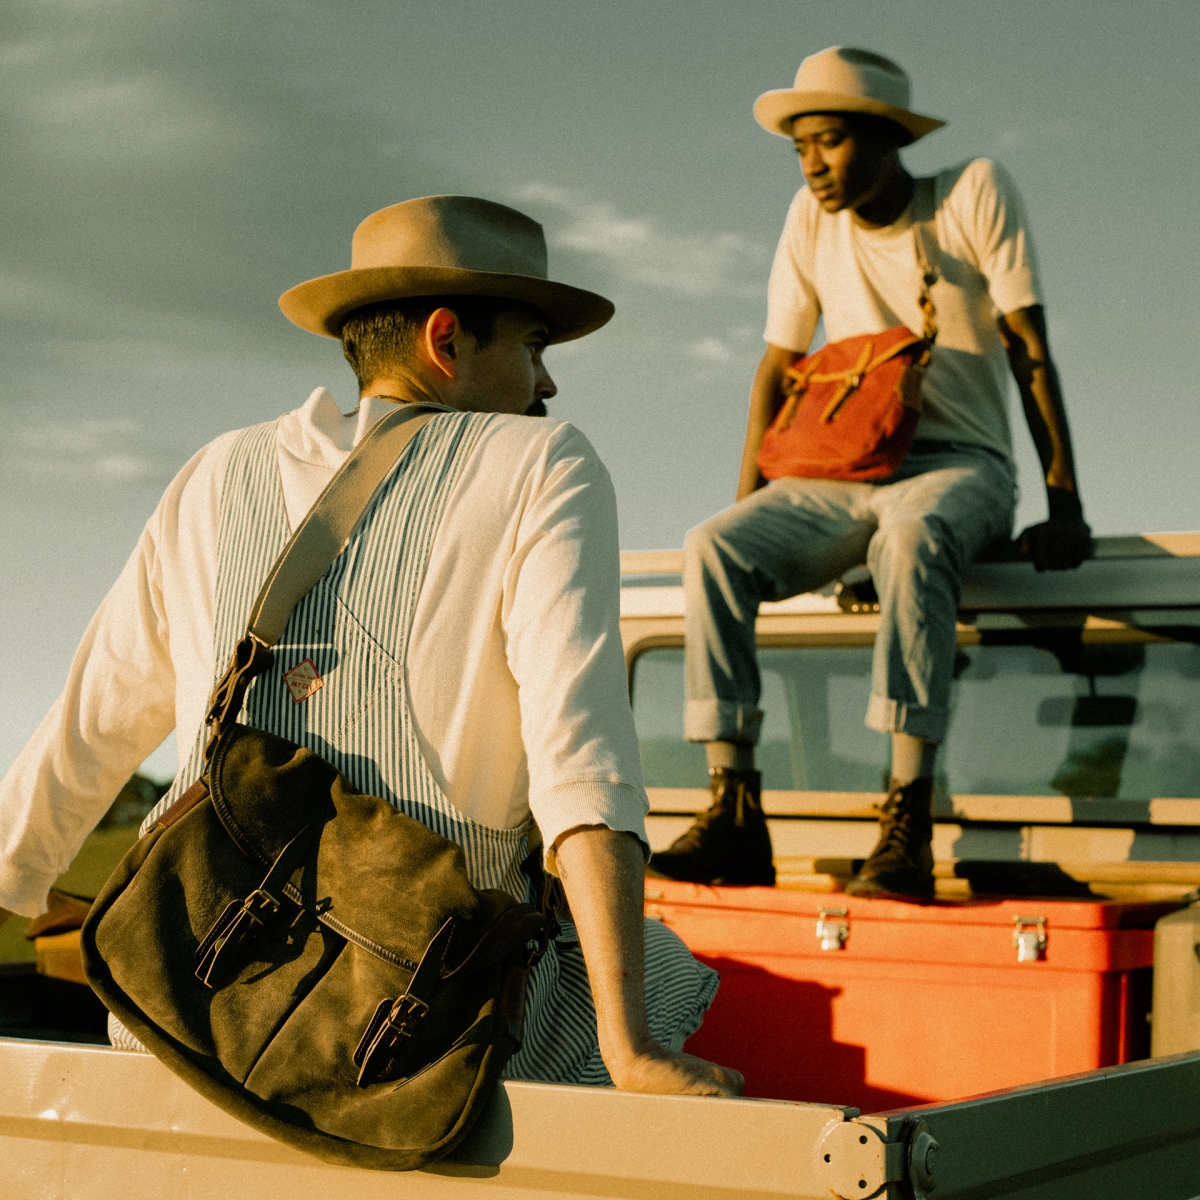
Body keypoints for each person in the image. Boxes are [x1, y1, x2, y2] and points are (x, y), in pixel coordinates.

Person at [0, 195, 742, 1096]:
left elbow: (88, 729)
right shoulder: (540, 463)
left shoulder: (214, 472)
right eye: (534, 345)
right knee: (661, 970)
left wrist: (10, 890)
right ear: (447, 339)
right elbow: (582, 757)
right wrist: (630, 1047)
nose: (547, 386)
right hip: (407, 1021)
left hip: (191, 1004)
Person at [648, 47, 1092, 898]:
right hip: (841, 469)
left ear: (887, 138)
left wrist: (1065, 501)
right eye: (800, 146)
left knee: (914, 532)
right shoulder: (810, 218)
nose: (812, 162)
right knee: (710, 545)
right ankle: (734, 808)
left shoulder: (970, 193)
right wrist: (756, 506)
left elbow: (1028, 349)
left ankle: (906, 818)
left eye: (832, 141)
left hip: (962, 465)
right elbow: (777, 369)